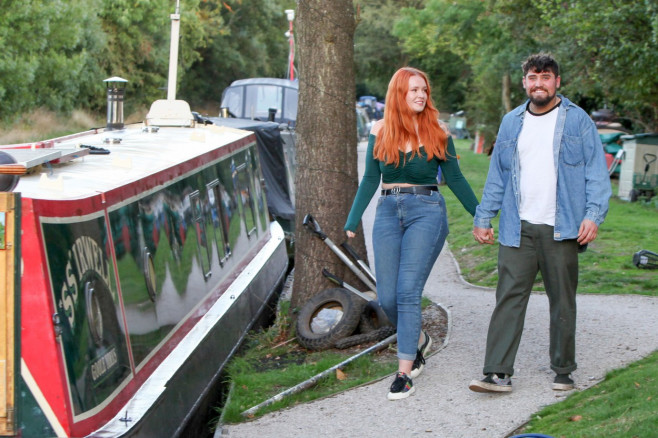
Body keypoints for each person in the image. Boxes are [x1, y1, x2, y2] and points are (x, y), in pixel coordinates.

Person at [469, 53, 612, 393]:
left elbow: (596, 173)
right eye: (533, 77)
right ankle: (497, 372)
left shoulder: (578, 121)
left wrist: (593, 215)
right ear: (524, 82)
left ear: (557, 82)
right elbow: (498, 175)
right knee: (509, 297)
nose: (539, 83)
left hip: (561, 227)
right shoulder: (511, 122)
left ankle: (563, 370)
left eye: (545, 77)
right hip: (517, 228)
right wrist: (483, 216)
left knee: (562, 300)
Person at [344, 67, 479, 400]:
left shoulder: (438, 131)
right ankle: (418, 338)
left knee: (406, 292)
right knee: (387, 297)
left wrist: (482, 217)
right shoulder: (380, 130)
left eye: (424, 90)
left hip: (426, 211)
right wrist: (352, 220)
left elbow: (457, 179)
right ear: (399, 94)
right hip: (388, 213)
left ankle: (403, 373)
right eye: (413, 90)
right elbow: (370, 182)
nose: (421, 95)